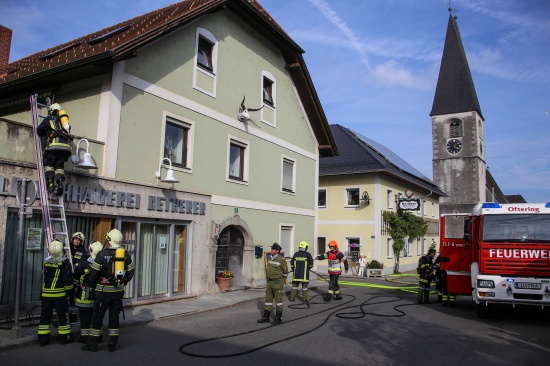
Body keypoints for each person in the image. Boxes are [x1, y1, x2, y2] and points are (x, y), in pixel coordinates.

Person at [82, 229, 134, 352]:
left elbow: (94, 274)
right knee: (114, 318)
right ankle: (112, 344)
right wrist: (123, 282)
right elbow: (131, 272)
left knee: (97, 318)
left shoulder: (101, 254)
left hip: (102, 293)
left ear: (109, 239)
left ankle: (92, 344)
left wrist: (92, 287)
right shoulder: (125, 254)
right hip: (117, 293)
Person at [37, 240, 74, 347]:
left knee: (45, 317)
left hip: (46, 294)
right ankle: (64, 338)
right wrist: (69, 292)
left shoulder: (46, 261)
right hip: (59, 295)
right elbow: (68, 279)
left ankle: (43, 340)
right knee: (62, 317)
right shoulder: (65, 262)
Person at [36, 103, 72, 196]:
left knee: (49, 164)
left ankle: (50, 184)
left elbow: (39, 131)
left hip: (54, 146)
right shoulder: (64, 122)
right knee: (59, 167)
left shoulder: (49, 119)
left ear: (51, 111)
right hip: (66, 148)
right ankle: (60, 183)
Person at [74, 241, 103, 344]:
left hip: (84, 296)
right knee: (97, 318)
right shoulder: (104, 263)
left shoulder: (83, 262)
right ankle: (98, 336)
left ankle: (84, 337)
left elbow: (76, 277)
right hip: (99, 296)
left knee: (85, 318)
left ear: (90, 250)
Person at [257, 243, 288, 326]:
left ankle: (278, 318)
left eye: (273, 249)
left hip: (277, 283)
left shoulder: (281, 260)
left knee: (278, 301)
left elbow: (285, 272)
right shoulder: (270, 258)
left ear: (277, 251)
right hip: (270, 282)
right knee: (268, 300)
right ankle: (266, 317)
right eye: (271, 249)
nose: (271, 250)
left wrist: (282, 282)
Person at [69, 232, 86, 322]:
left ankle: (73, 317)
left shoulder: (82, 251)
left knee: (73, 298)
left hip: (76, 276)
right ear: (72, 239)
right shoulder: (67, 248)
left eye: (79, 240)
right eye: (75, 239)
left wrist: (77, 265)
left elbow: (83, 262)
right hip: (66, 276)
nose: (77, 241)